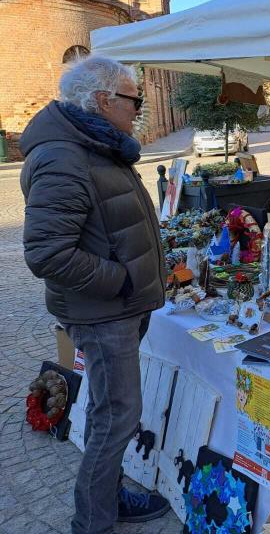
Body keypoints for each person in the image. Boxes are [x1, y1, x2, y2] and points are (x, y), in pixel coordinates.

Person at [20, 56, 169, 532]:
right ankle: (94, 520)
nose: (138, 110)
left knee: (115, 413)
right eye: (133, 100)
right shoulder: (65, 156)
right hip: (104, 313)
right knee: (116, 418)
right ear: (103, 101)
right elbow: (46, 253)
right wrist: (120, 280)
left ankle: (108, 498)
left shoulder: (94, 146)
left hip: (117, 310)